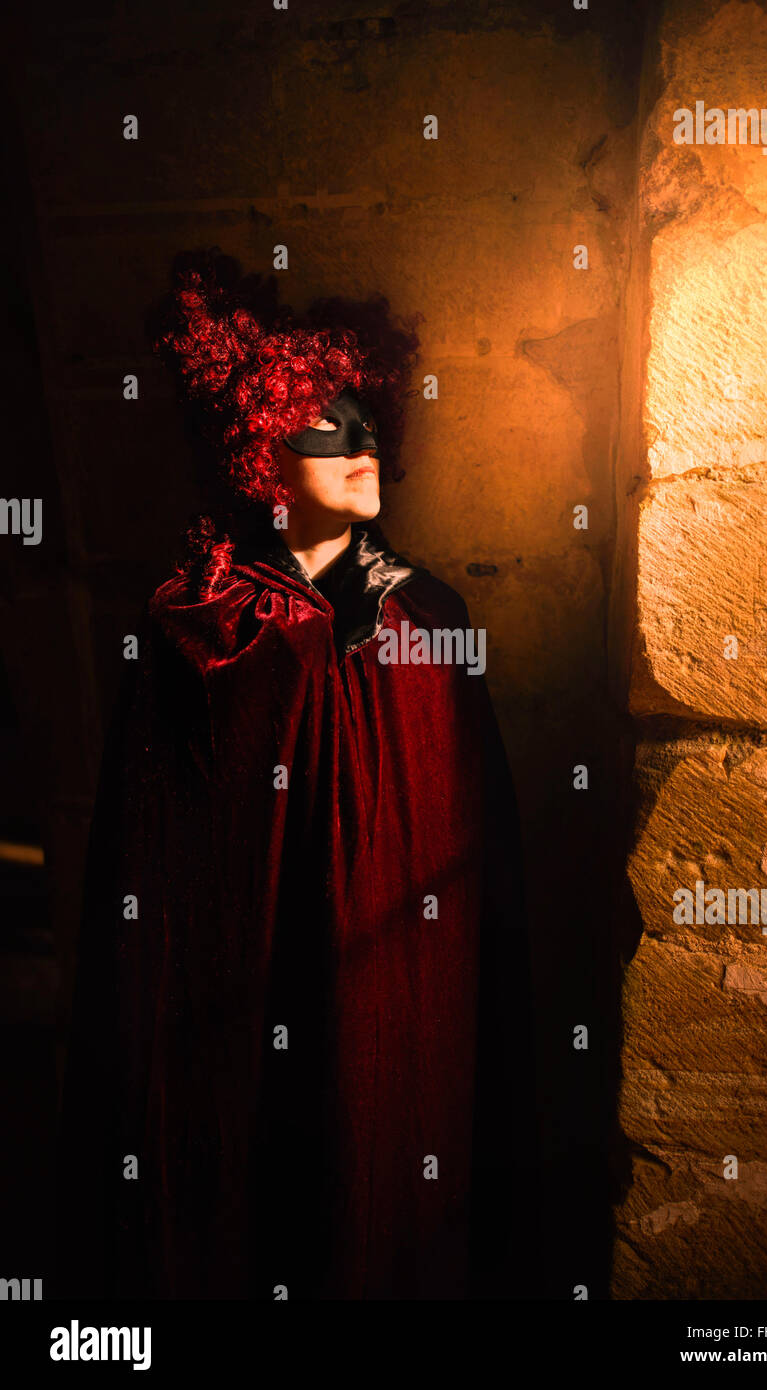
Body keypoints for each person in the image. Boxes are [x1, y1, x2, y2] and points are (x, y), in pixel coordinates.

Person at [57, 253, 536, 1300]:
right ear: (260, 450)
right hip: (233, 990)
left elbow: (466, 838)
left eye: (367, 425)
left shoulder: (428, 616)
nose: (362, 450)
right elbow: (164, 852)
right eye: (327, 431)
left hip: (384, 983)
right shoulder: (204, 621)